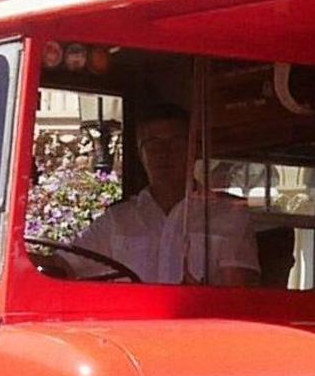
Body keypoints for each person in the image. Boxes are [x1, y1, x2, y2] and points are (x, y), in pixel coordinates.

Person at [75, 105, 263, 284]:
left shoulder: (230, 215)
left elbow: (237, 293)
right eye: (153, 145)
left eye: (176, 143)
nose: (164, 153)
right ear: (141, 154)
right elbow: (66, 264)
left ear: (194, 150)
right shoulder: (117, 219)